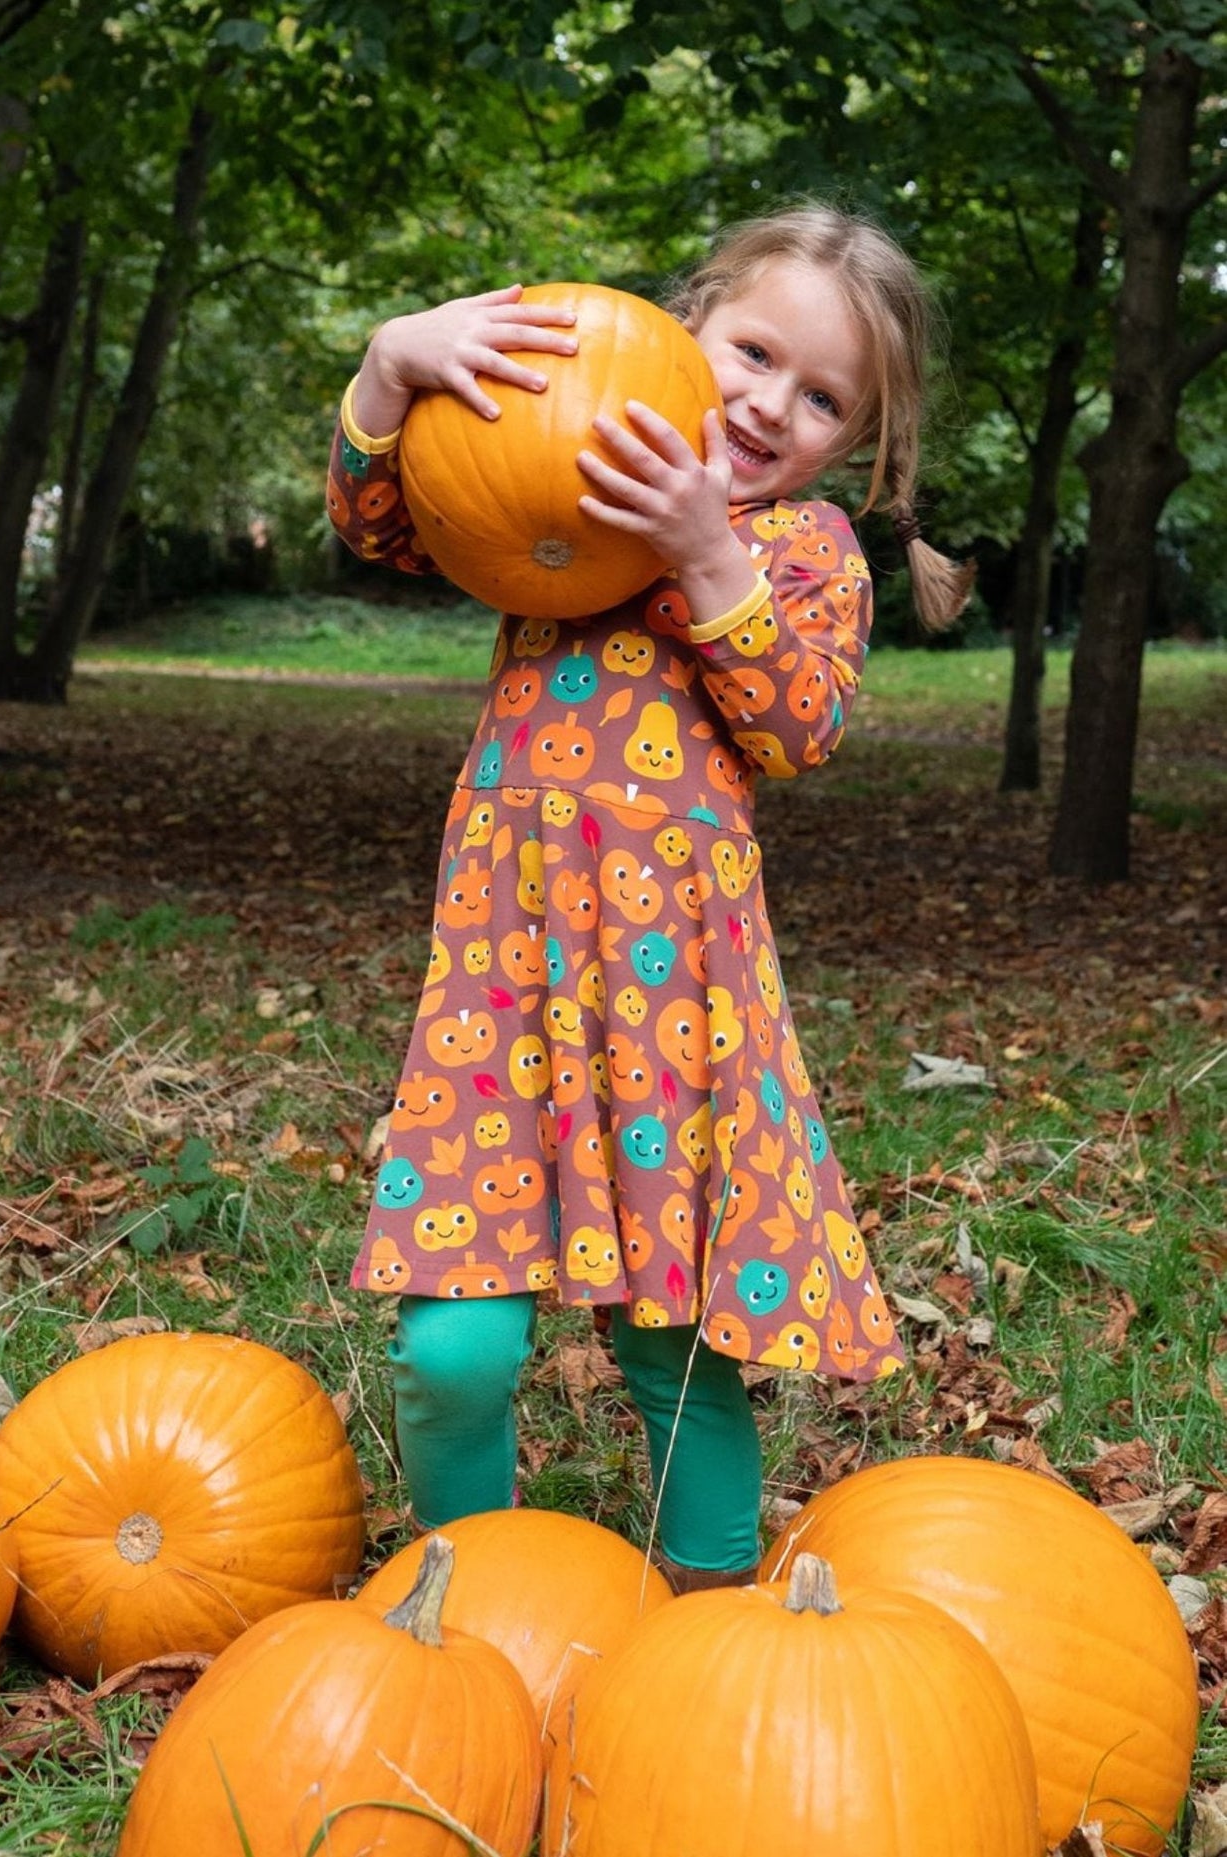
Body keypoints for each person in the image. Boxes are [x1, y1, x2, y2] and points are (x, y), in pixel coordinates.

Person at [326, 204, 969, 1591]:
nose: (767, 404)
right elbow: (385, 524)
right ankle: (472, 1605)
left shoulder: (801, 550)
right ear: (688, 326)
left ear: (852, 441)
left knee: (671, 1340)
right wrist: (391, 371)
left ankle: (707, 1616)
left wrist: (702, 550)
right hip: (501, 986)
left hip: (674, 1002)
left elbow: (797, 722)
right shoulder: (562, 476)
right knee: (453, 1348)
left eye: (820, 398)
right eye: (751, 352)